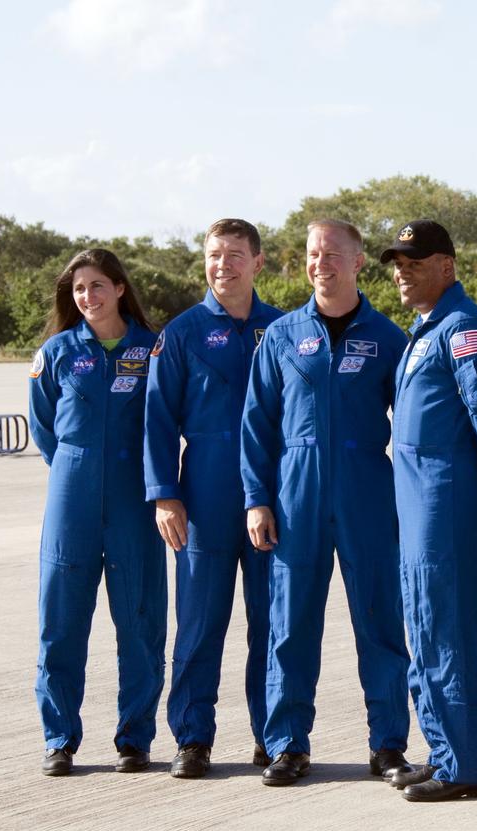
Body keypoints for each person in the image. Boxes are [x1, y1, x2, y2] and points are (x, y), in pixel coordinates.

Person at [241, 219, 413, 786]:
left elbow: (412, 427)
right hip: (296, 492)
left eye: (334, 254)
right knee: (289, 623)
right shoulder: (283, 336)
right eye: (315, 254)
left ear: (358, 262)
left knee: (380, 621)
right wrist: (257, 499)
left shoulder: (389, 338)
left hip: (367, 486)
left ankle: (388, 745)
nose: (322, 264)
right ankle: (287, 743)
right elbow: (257, 425)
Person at [144, 218, 284, 779]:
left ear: (258, 262)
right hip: (203, 491)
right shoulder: (181, 333)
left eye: (233, 255)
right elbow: (157, 420)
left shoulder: (283, 329)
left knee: (272, 623)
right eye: (212, 255)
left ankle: (273, 734)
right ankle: (192, 737)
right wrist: (165, 495)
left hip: (272, 493)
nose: (222, 264)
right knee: (200, 621)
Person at [381, 219, 477, 802]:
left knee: (448, 626)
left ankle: (467, 767)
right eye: (397, 261)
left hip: (444, 490)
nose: (402, 270)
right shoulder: (425, 328)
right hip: (414, 495)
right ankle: (441, 751)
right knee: (422, 624)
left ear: (447, 267)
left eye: (415, 260)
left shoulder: (464, 327)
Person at [28, 248, 166, 777]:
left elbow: (167, 418)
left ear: (120, 288)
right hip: (73, 497)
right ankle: (59, 739)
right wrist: (78, 464)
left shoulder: (153, 349)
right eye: (79, 289)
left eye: (97, 286)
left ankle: (135, 738)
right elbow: (44, 429)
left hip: (136, 499)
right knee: (60, 623)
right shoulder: (57, 352)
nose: (88, 296)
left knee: (140, 622)